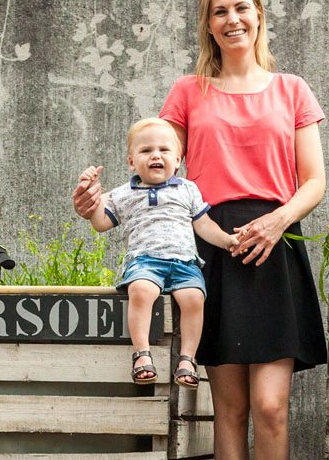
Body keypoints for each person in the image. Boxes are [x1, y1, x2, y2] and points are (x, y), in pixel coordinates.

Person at [74, 0, 327, 460]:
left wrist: (277, 222)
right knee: (229, 408)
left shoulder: (292, 89)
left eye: (242, 8)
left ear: (259, 14)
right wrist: (96, 207)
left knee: (271, 406)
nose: (233, 19)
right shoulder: (189, 92)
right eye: (220, 12)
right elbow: (155, 171)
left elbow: (315, 181)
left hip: (273, 246)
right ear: (207, 24)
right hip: (207, 247)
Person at [78, 117, 236, 388]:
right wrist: (90, 196)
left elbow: (204, 225)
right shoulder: (123, 194)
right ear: (131, 162)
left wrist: (227, 241)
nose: (156, 155)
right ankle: (142, 354)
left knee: (194, 298)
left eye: (164, 150)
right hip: (145, 261)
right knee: (141, 290)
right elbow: (101, 224)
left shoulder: (188, 189)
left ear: (177, 161)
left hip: (184, 262)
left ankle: (187, 359)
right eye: (146, 150)